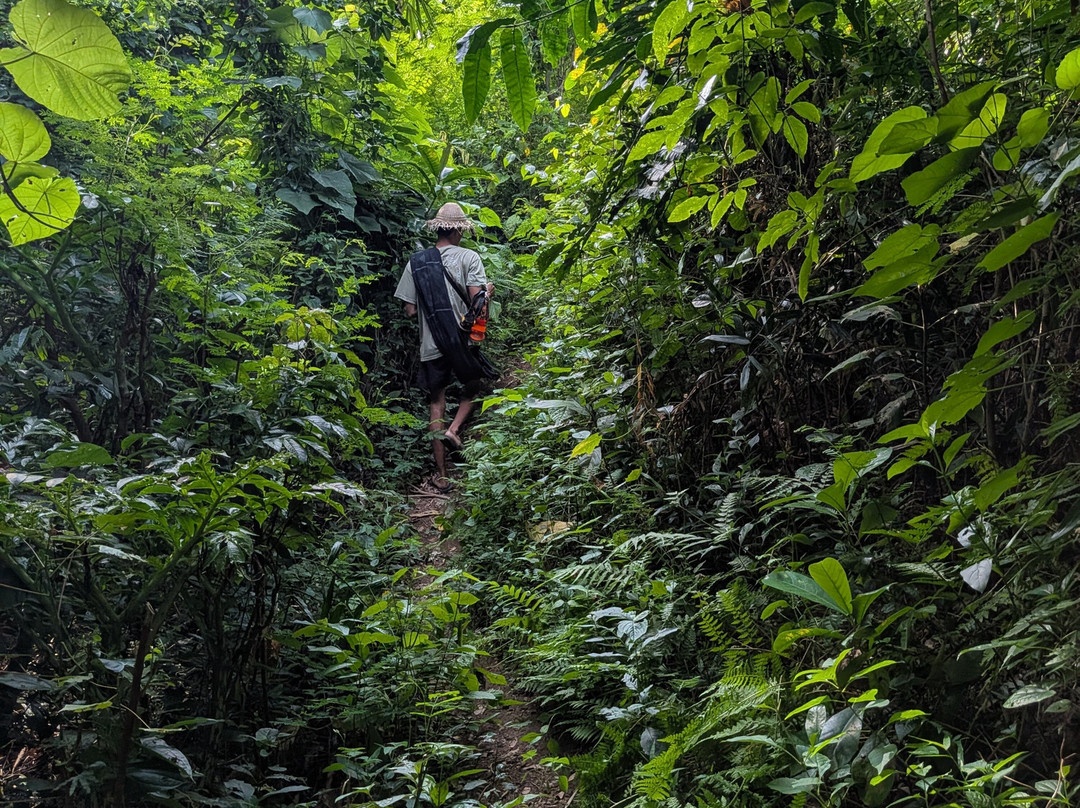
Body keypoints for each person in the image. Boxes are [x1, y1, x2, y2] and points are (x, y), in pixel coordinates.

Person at [394, 202, 497, 491]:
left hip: (431, 343)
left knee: (436, 404)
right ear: (458, 231)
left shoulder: (416, 262)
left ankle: (440, 475)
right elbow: (478, 303)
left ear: (438, 228)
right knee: (475, 385)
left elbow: (410, 310)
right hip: (461, 341)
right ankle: (454, 430)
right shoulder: (469, 258)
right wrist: (487, 292)